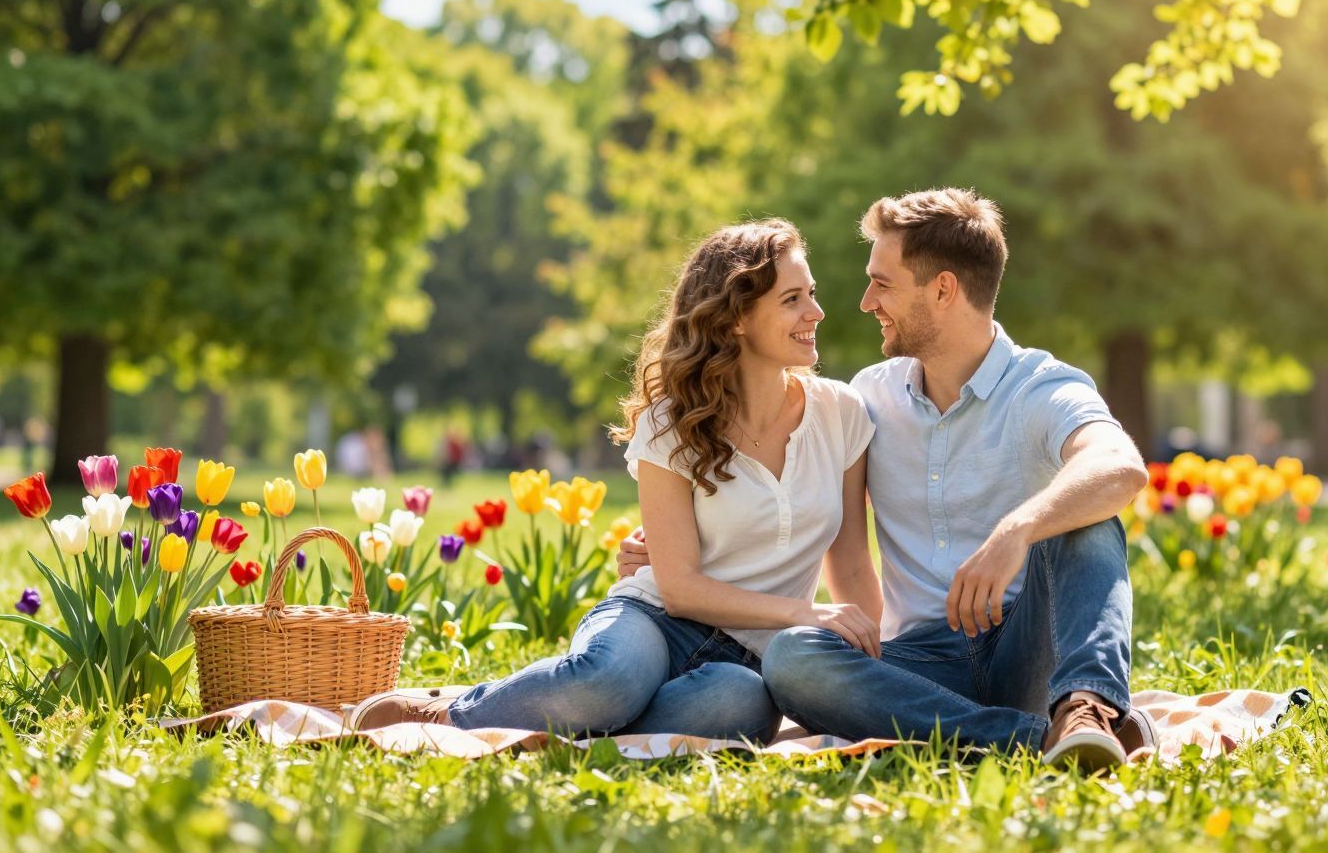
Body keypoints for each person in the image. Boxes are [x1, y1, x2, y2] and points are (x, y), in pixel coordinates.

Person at [623, 189, 1153, 770]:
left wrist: (1017, 530)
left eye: (883, 283)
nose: (865, 301)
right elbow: (799, 501)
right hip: (919, 664)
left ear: (943, 289)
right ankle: (1033, 740)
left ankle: (1087, 711)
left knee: (1089, 521)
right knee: (794, 659)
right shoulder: (868, 398)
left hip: (1028, 651)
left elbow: (1119, 467)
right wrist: (669, 551)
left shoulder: (1041, 387)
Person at [346, 220, 880, 742]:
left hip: (752, 661)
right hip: (653, 621)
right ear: (737, 317)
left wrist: (869, 666)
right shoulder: (675, 421)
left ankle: (566, 726)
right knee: (606, 681)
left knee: (737, 705)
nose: (816, 312)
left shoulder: (841, 413)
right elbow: (679, 589)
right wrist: (802, 612)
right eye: (792, 299)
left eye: (810, 293)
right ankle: (448, 716)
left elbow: (853, 560)